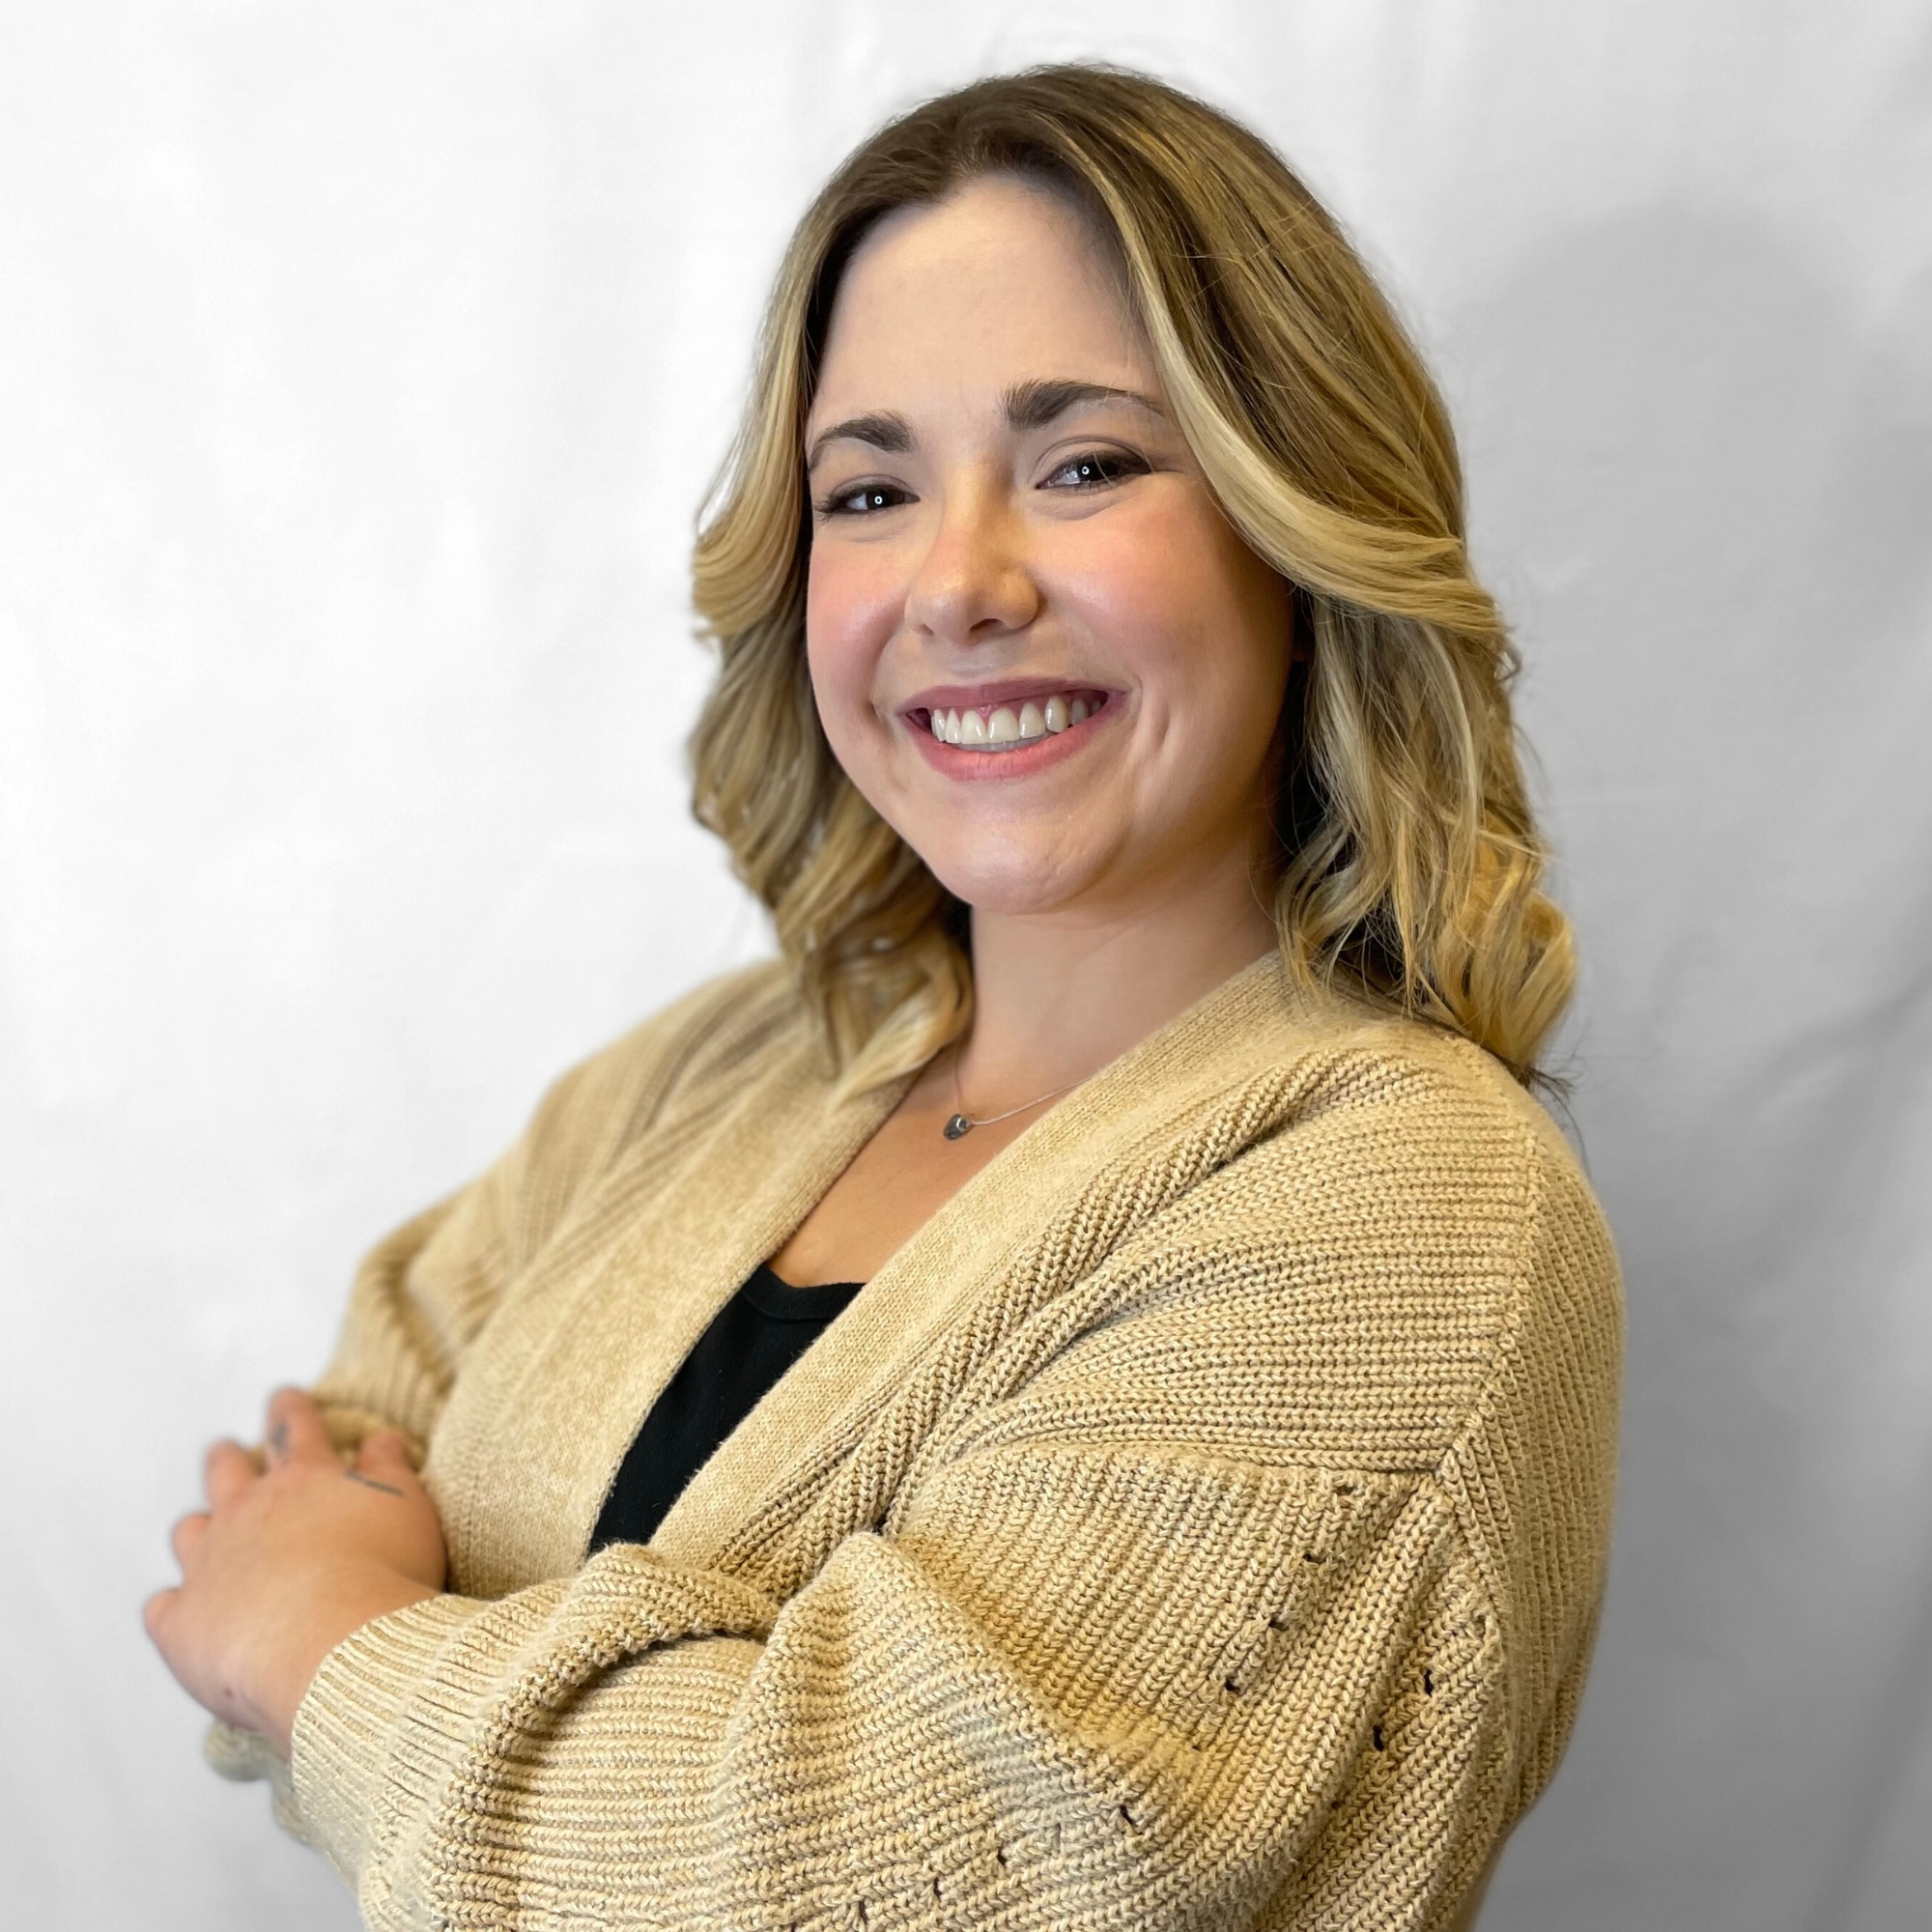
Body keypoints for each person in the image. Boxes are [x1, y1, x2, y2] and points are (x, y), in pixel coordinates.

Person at [144, 64, 1621, 1931]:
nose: (958, 583)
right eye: (870, 489)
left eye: (1085, 463)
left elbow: (887, 1871)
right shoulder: (733, 1067)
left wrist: (347, 1643)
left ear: (1292, 517)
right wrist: (583, 1717)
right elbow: (309, 1485)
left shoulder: (1416, 1209)